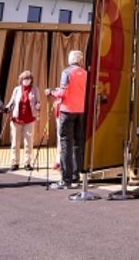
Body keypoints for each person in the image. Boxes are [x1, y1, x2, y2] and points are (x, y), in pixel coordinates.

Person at [46, 50, 87, 190]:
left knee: (65, 144)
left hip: (67, 110)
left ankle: (66, 179)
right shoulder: (85, 74)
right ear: (80, 60)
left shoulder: (67, 72)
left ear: (70, 60)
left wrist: (51, 92)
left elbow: (62, 92)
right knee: (77, 144)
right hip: (80, 111)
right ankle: (76, 177)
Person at [4, 70, 39, 171]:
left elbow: (37, 101)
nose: (27, 80)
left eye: (28, 78)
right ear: (21, 80)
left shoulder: (35, 89)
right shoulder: (17, 89)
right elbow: (12, 101)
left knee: (28, 142)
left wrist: (38, 105)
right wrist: (7, 108)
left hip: (29, 118)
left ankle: (27, 163)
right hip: (16, 119)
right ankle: (15, 162)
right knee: (15, 141)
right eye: (25, 78)